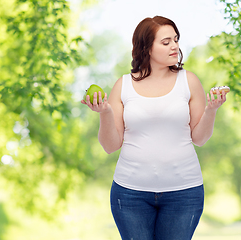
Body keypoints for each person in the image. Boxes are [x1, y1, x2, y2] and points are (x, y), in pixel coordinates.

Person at [81, 16, 227, 240]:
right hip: (130, 195)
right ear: (147, 48)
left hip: (184, 193)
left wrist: (211, 110)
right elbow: (110, 146)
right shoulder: (123, 85)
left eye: (176, 40)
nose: (175, 46)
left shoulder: (189, 81)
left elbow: (199, 138)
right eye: (166, 42)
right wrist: (105, 113)